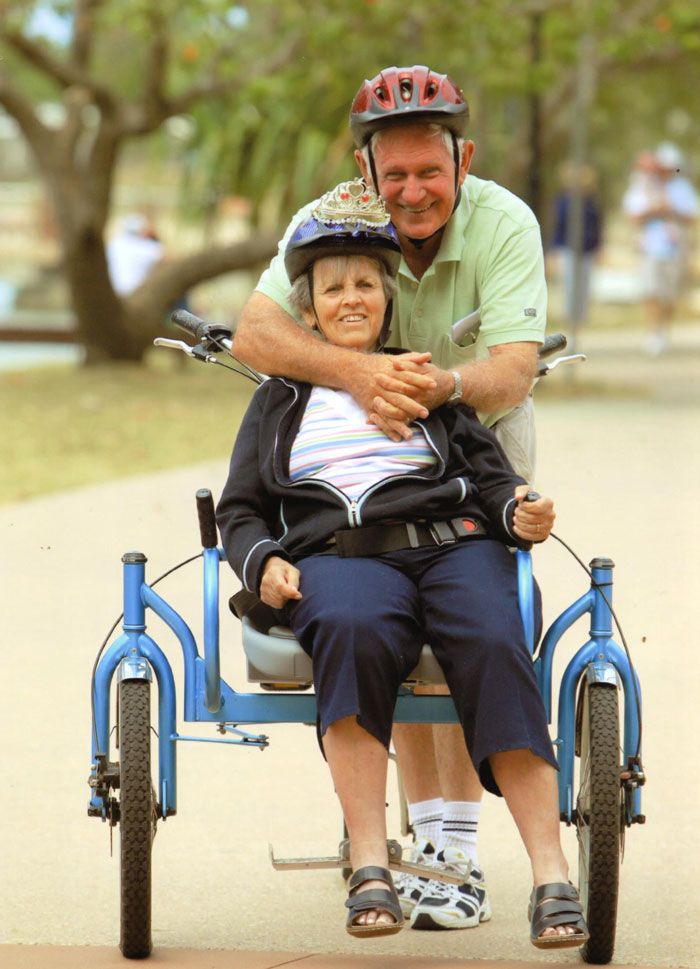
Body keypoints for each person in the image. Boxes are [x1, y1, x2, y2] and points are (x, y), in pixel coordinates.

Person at [216, 183, 588, 950]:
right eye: (332, 289)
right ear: (309, 310)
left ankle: (553, 873)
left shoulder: (424, 380)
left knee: (493, 636)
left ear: (386, 301)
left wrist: (521, 509)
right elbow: (240, 510)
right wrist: (263, 564)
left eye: (364, 285)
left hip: (456, 546)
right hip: (342, 558)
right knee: (348, 627)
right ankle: (369, 863)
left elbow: (491, 481)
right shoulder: (281, 400)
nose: (351, 299)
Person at [622, 142, 698, 355]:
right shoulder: (644, 186)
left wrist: (672, 210)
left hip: (675, 248)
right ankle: (652, 333)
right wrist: (655, 209)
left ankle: (664, 331)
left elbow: (692, 215)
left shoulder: (682, 187)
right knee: (651, 291)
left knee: (668, 294)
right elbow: (633, 215)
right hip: (650, 247)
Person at [550, 162, 603, 327]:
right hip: (568, 249)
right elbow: (558, 226)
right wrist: (553, 250)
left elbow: (597, 226)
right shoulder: (563, 202)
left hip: (587, 249)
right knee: (569, 286)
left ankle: (580, 319)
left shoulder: (591, 203)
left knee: (584, 286)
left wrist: (598, 247)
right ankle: (569, 318)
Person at [106, 213, 164, 296]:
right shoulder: (146, 247)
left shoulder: (114, 244)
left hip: (114, 294)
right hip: (137, 296)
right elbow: (170, 260)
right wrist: (155, 237)